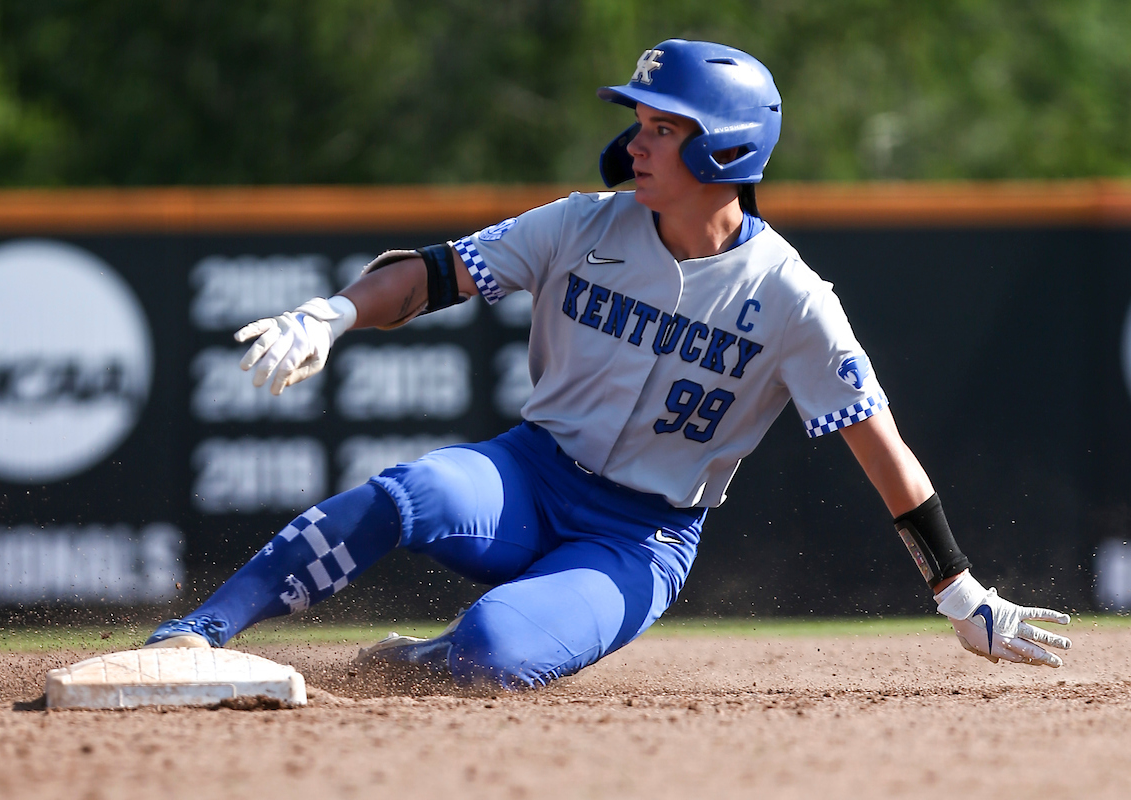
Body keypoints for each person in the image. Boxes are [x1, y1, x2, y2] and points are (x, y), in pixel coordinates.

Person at [145, 39, 1072, 688]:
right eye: (641, 120)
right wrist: (336, 312)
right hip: (531, 472)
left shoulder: (792, 297)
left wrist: (958, 593)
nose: (636, 139)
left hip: (641, 539)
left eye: (663, 127)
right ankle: (198, 633)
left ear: (729, 147)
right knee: (408, 495)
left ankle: (416, 660)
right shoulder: (583, 222)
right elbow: (429, 275)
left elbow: (882, 449)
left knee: (494, 654)